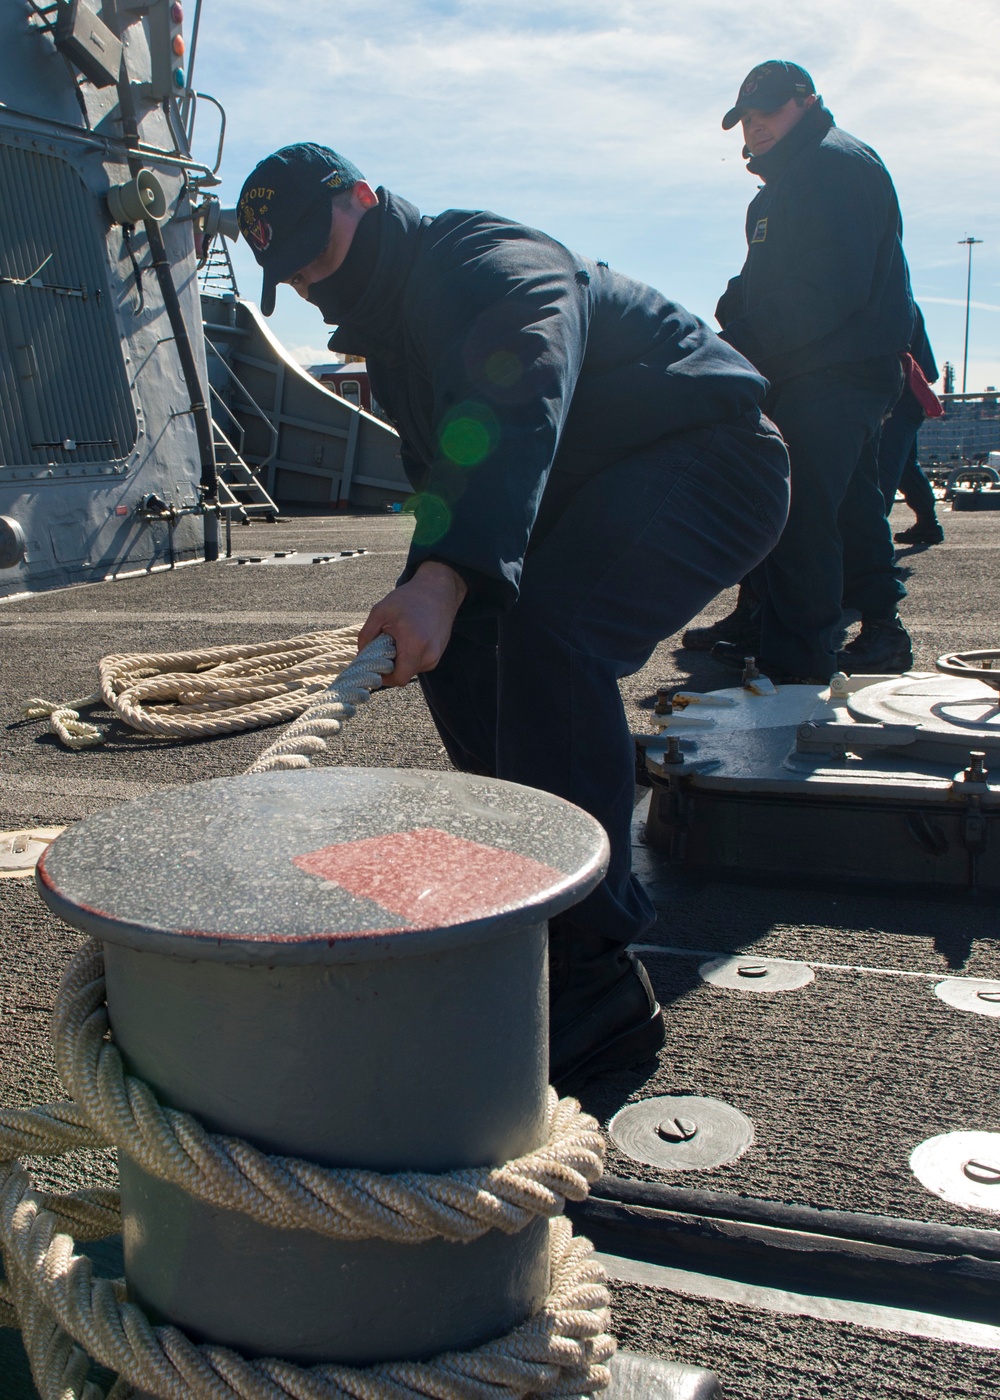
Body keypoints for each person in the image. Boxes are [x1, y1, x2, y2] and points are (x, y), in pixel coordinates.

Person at [238, 143, 791, 1089]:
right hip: (598, 485)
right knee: (460, 649)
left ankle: (593, 974)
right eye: (286, 267)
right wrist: (433, 587)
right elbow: (449, 470)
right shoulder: (396, 332)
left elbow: (523, 378)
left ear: (363, 196)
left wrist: (447, 574)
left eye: (312, 246)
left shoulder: (480, 260)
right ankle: (532, 879)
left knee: (552, 637)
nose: (308, 276)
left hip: (713, 457)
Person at [710, 61, 915, 681]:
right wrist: (734, 306)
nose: (756, 125)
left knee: (797, 513)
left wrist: (741, 340)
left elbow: (831, 288)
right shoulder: (782, 186)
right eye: (747, 116)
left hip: (837, 369)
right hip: (814, 369)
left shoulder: (837, 166)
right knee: (850, 505)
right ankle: (882, 631)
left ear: (808, 101)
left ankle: (798, 666)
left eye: (770, 110)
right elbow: (766, 282)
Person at [877, 306, 946, 546]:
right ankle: (928, 524)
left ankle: (872, 534)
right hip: (911, 399)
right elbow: (929, 371)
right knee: (904, 464)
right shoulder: (908, 305)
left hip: (898, 397)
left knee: (886, 463)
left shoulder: (892, 304)